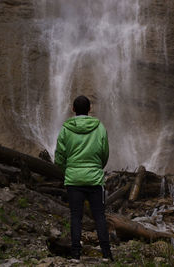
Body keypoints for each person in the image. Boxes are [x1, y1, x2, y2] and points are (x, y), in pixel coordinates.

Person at [54, 95, 113, 263]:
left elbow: (59, 155)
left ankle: (75, 255)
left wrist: (68, 170)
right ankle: (107, 255)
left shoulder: (65, 129)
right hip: (95, 180)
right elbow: (104, 153)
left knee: (75, 216)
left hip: (73, 180)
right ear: (89, 109)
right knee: (100, 216)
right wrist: (96, 168)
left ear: (73, 109)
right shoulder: (99, 127)